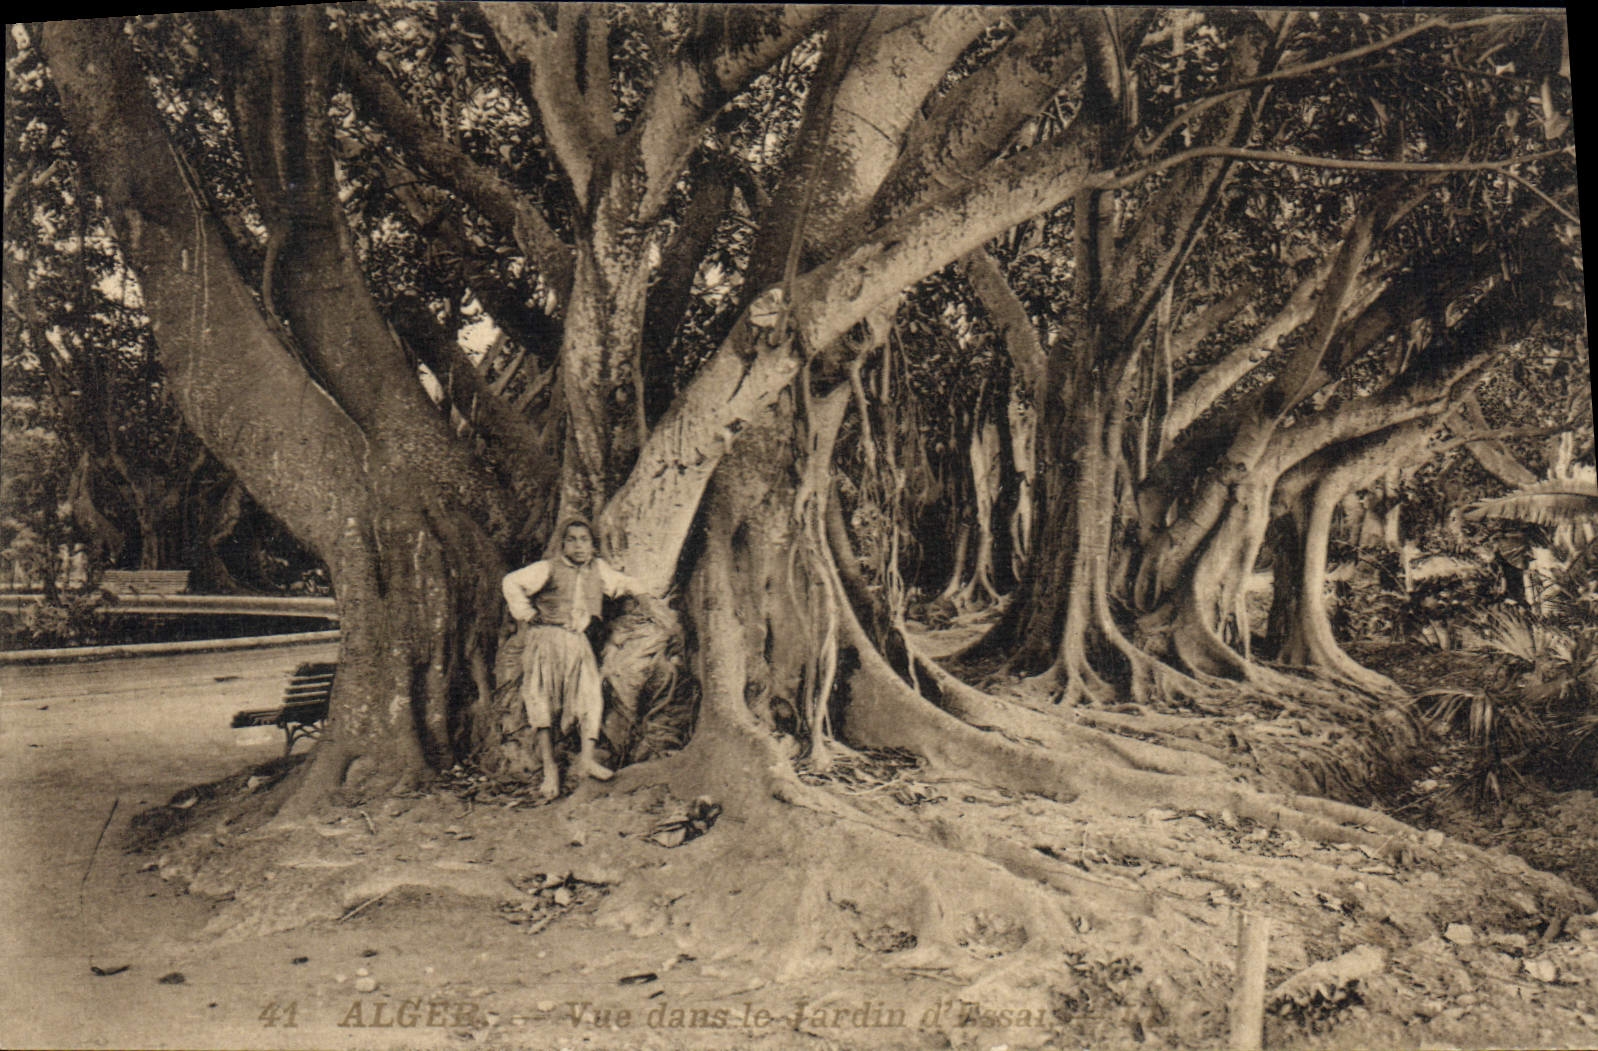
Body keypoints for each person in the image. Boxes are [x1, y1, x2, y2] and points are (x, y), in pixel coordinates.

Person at [501, 517, 649, 798]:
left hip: (577, 642)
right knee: (542, 700)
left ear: (592, 545)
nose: (579, 546)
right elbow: (511, 582)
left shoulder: (598, 570)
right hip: (545, 639)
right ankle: (549, 770)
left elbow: (626, 582)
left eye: (585, 540)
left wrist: (648, 601)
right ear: (563, 543)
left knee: (589, 696)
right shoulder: (547, 568)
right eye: (573, 539)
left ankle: (587, 759)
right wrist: (528, 614)